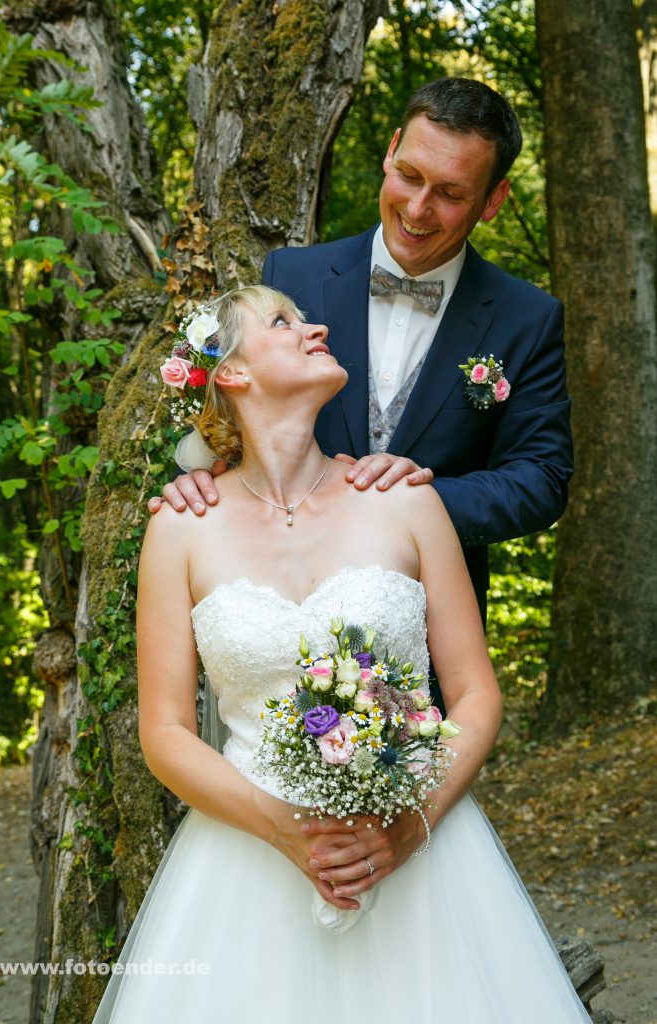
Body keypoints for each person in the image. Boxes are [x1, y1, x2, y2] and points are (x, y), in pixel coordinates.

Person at [92, 285, 590, 1023]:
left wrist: (406, 826)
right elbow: (164, 733)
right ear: (229, 373)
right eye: (283, 321)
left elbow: (476, 694)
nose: (315, 326)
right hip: (248, 861)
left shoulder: (405, 502)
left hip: (423, 857)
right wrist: (282, 827)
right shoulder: (181, 528)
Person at [149, 77, 573, 636]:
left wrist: (415, 501)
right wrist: (200, 475)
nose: (418, 209)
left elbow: (541, 479)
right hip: (276, 610)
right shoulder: (292, 277)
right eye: (410, 176)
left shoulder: (526, 317)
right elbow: (241, 413)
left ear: (493, 200)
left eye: (450, 193)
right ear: (391, 149)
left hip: (429, 628)